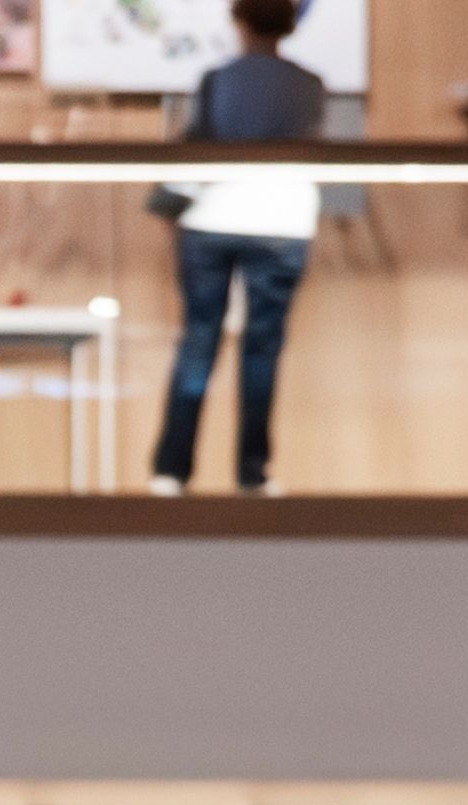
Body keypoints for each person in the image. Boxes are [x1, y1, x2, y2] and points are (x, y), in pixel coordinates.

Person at [149, 0, 329, 497]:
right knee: (262, 350)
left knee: (198, 343)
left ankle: (172, 471)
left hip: (213, 219)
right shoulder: (308, 85)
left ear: (240, 22)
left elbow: (197, 148)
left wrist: (165, 204)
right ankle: (253, 473)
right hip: (282, 222)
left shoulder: (218, 80)